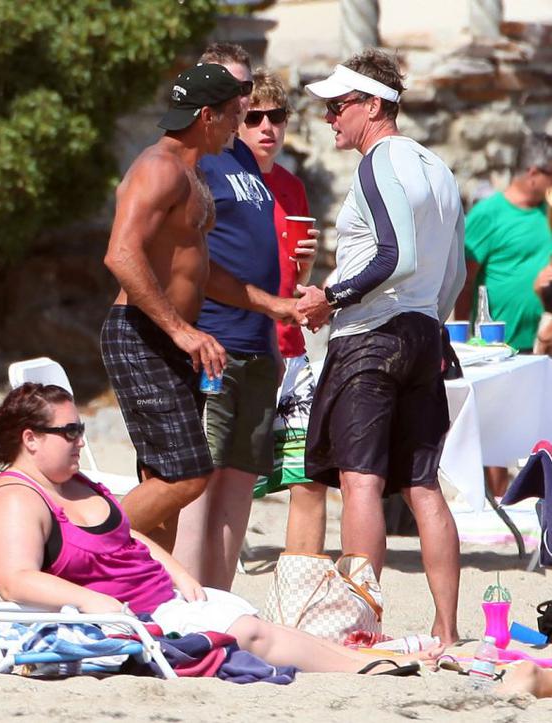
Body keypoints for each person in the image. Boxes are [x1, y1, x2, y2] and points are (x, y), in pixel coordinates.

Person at [0, 383, 443, 675]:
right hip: (128, 618)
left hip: (159, 601)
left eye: (80, 430)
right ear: (30, 439)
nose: (80, 440)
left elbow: (126, 535)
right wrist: (95, 601)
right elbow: (14, 579)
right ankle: (370, 667)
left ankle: (368, 657)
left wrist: (178, 572)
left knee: (257, 624)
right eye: (70, 432)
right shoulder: (15, 499)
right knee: (250, 633)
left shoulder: (72, 482)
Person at [296, 49, 465, 644]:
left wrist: (329, 298)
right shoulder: (438, 168)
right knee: (423, 483)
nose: (328, 117)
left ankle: (359, 626)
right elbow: (454, 273)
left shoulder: (378, 163)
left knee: (361, 481)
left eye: (338, 105)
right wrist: (429, 322)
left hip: (372, 335)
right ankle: (447, 631)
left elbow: (397, 256)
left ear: (373, 105)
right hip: (421, 331)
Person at [170, 44, 308, 589]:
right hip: (213, 342)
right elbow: (179, 255)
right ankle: (188, 608)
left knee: (240, 485)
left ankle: (220, 604)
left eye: (247, 87)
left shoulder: (246, 160)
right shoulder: (195, 158)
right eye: (234, 89)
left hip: (259, 344)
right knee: (197, 484)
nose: (244, 100)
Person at [100, 62, 248, 552]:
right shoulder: (158, 168)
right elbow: (121, 255)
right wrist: (181, 331)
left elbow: (199, 272)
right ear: (207, 116)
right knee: (187, 475)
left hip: (167, 337)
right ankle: (76, 548)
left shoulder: (190, 172)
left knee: (162, 479)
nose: (238, 125)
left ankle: (148, 592)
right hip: (142, 332)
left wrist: (276, 306)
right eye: (234, 115)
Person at [237, 69, 324, 555]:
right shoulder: (223, 181)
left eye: (277, 116)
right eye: (254, 118)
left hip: (291, 349)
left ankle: (301, 578)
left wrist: (306, 268)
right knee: (230, 481)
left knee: (308, 474)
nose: (267, 127)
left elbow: (292, 272)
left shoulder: (291, 186)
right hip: (242, 347)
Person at [453, 132, 552, 497]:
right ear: (533, 172)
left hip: (545, 340)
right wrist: (463, 334)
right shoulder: (488, 214)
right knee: (494, 436)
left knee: (541, 431)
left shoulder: (549, 212)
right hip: (499, 344)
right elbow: (465, 277)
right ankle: (496, 504)